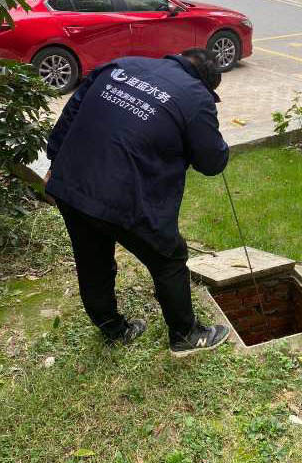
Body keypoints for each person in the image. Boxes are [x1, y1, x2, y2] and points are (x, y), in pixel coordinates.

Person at [45, 49, 231, 357]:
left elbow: (70, 113)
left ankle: (113, 329)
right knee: (168, 256)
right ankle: (185, 335)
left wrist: (55, 162)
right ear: (207, 83)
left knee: (92, 259)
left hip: (72, 182)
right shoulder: (196, 97)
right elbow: (212, 162)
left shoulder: (120, 64)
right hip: (124, 195)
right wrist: (220, 146)